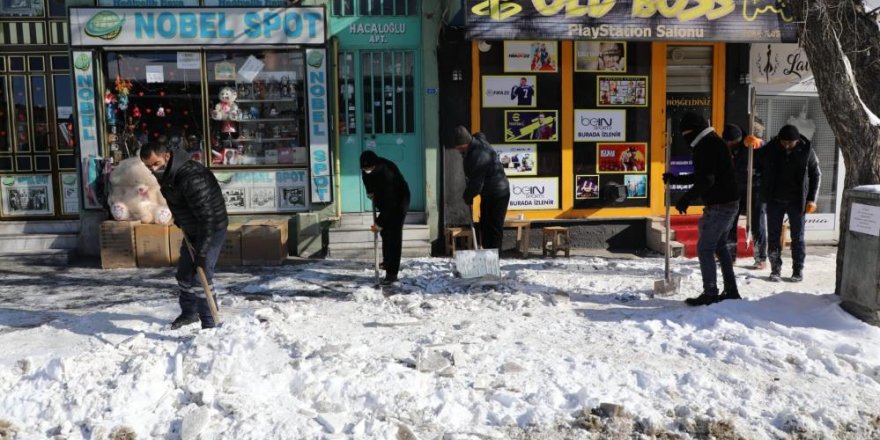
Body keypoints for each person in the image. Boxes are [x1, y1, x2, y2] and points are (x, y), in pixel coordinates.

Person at [140, 142, 228, 329]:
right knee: (183, 275)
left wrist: (202, 253)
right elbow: (179, 202)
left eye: (155, 164)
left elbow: (208, 218)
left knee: (200, 276)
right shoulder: (169, 173)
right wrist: (181, 221)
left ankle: (209, 321)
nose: (153, 170)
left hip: (211, 229)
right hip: (193, 228)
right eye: (148, 167)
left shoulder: (191, 177)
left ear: (167, 156)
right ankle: (189, 313)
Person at [663, 112, 740, 306]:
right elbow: (704, 175)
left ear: (695, 131)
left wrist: (685, 200)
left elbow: (707, 180)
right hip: (728, 202)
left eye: (686, 133)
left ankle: (711, 292)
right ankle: (731, 290)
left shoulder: (707, 145)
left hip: (720, 205)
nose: (684, 137)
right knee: (720, 246)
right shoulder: (712, 142)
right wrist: (677, 179)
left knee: (705, 248)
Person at [761, 125, 821, 282]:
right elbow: (755, 156)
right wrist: (749, 144)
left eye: (790, 143)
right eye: (784, 142)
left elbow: (816, 174)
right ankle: (775, 269)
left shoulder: (807, 151)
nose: (786, 145)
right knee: (773, 236)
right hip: (775, 200)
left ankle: (797, 270)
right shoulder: (772, 147)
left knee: (798, 237)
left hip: (797, 201)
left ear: (797, 140)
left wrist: (812, 199)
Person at [453, 125, 510, 251]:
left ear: (466, 144)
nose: (459, 151)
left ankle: (494, 258)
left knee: (494, 228)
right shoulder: (476, 143)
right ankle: (487, 252)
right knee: (484, 224)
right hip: (488, 193)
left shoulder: (479, 156)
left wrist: (467, 196)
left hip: (498, 193)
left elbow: (476, 184)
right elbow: (480, 134)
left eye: (460, 148)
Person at [360, 150, 411, 286]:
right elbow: (366, 179)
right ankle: (387, 261)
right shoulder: (366, 170)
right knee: (385, 232)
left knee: (394, 234)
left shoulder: (387, 172)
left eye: (370, 168)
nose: (367, 171)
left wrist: (379, 222)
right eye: (365, 168)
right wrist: (369, 191)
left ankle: (392, 273)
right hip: (384, 199)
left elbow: (391, 203)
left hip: (399, 201)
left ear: (375, 165)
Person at [722, 124, 768, 270]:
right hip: (735, 188)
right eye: (727, 142)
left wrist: (759, 144)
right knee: (730, 222)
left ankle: (760, 258)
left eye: (732, 142)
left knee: (757, 223)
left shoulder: (751, 144)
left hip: (755, 188)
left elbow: (768, 155)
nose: (730, 144)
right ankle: (729, 255)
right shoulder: (726, 147)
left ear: (738, 139)